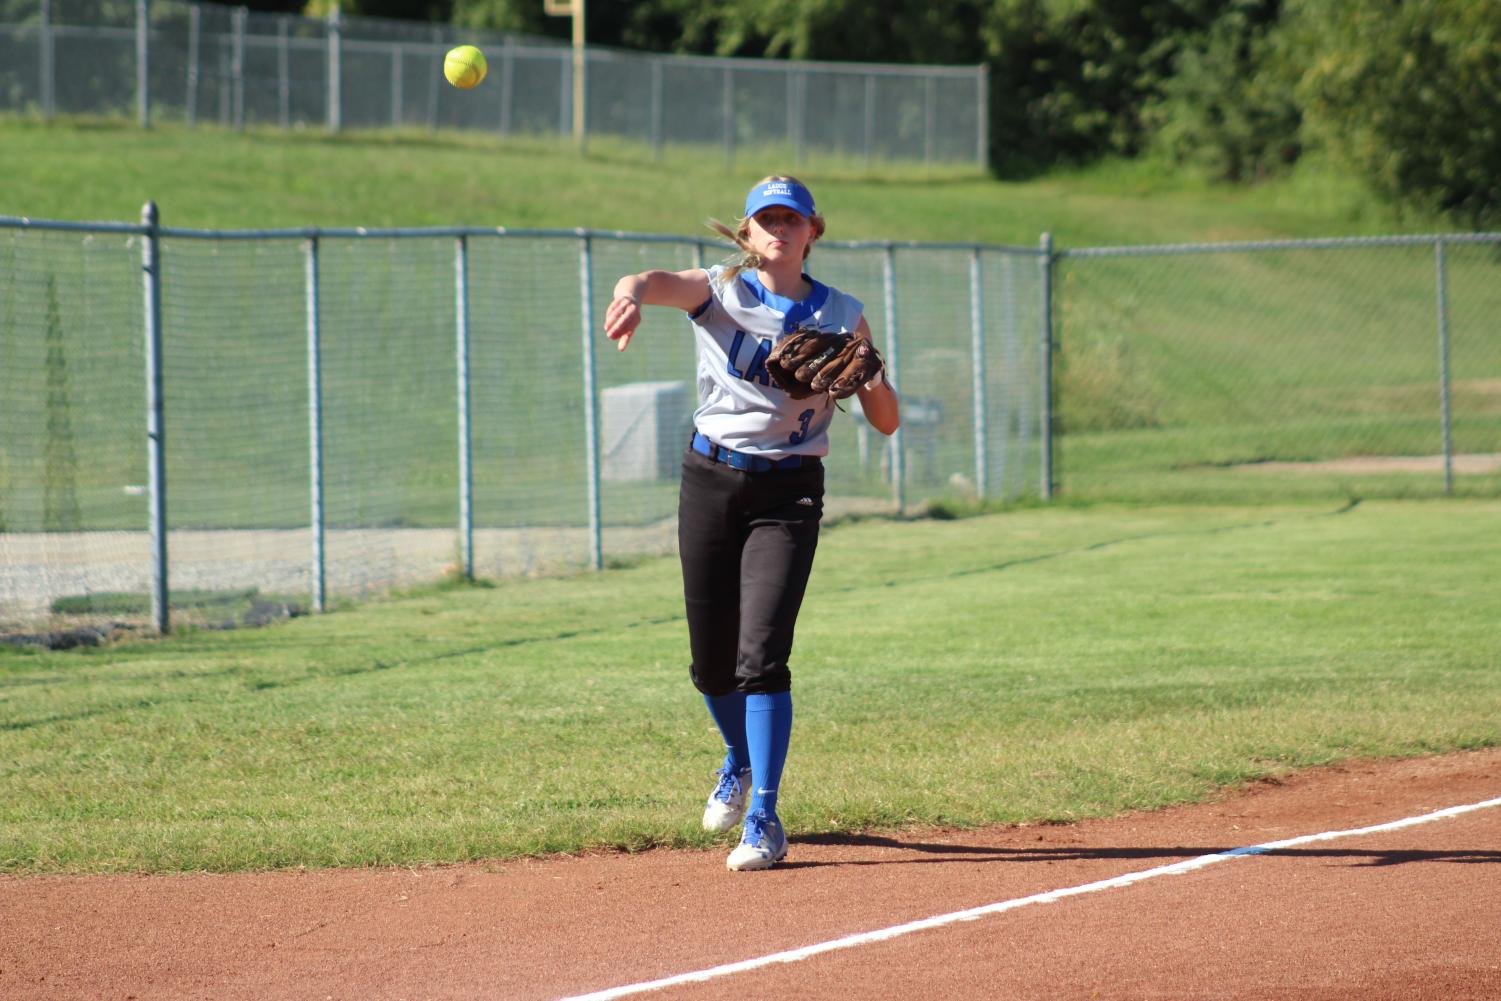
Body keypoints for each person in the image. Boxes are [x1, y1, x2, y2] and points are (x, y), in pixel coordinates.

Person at [603, 176, 900, 871]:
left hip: (788, 491)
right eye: (765, 219)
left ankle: (763, 815)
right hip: (709, 479)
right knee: (711, 666)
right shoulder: (717, 291)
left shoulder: (841, 312)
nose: (779, 230)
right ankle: (736, 759)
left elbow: (886, 422)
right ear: (745, 233)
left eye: (791, 219)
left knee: (760, 656)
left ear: (811, 232)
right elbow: (649, 279)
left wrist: (867, 376)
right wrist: (628, 294)